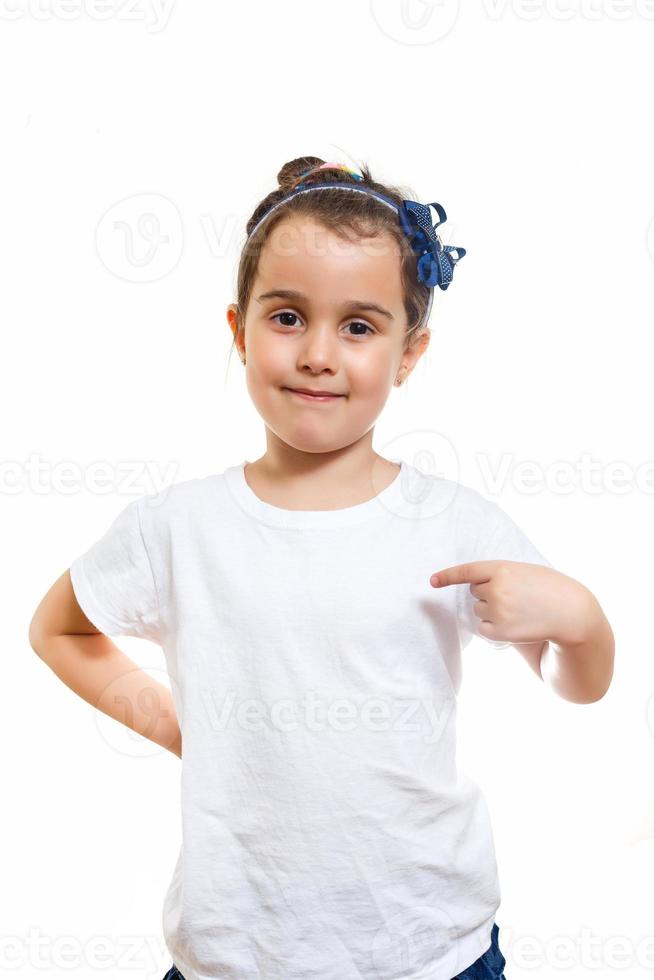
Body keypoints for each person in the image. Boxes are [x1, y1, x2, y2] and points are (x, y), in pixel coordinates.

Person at [29, 156, 615, 980]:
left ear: (410, 354)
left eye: (360, 326)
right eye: (287, 316)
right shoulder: (178, 527)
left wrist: (583, 620)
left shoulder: (453, 526)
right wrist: (174, 726)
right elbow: (57, 628)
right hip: (235, 955)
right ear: (237, 330)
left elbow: (575, 683)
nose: (317, 354)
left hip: (428, 949)